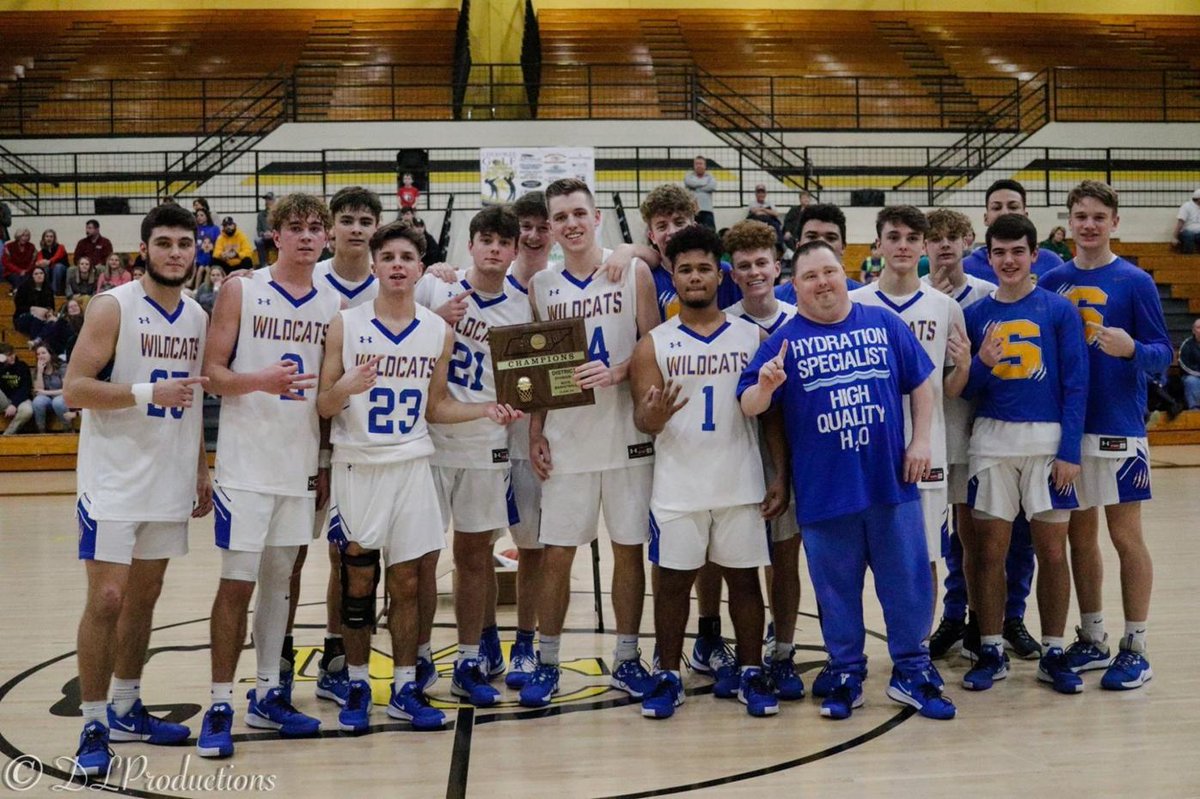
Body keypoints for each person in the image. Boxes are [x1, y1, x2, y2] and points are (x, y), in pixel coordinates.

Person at [738, 240, 955, 721]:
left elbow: (922, 381)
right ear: (794, 286)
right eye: (810, 276)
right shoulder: (782, 342)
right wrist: (766, 387)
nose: (822, 283)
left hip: (889, 483)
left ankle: (912, 671)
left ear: (846, 275)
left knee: (908, 581)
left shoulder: (883, 323)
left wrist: (921, 441)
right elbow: (748, 404)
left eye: (830, 272)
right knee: (835, 589)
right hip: (824, 492)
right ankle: (846, 671)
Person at [318, 221, 521, 733]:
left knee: (410, 580)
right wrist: (346, 384)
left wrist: (483, 412)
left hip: (412, 464)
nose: (397, 266)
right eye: (388, 258)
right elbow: (323, 403)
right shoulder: (347, 324)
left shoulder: (438, 330)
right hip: (357, 465)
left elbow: (436, 406)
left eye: (407, 257)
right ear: (375, 264)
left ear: (418, 264)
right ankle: (361, 683)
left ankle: (406, 685)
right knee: (359, 584)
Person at [62, 203, 210, 775]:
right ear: (144, 249)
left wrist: (200, 467)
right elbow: (75, 389)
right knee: (108, 600)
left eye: (184, 244)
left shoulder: (197, 315)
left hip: (170, 475)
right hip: (114, 479)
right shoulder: (112, 305)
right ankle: (94, 720)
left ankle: (126, 704)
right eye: (165, 243)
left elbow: (191, 398)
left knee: (145, 600)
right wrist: (150, 393)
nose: (175, 252)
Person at [196, 193, 340, 759]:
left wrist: (325, 461)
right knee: (237, 582)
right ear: (275, 235)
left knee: (280, 581)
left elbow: (327, 394)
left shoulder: (332, 304)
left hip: (300, 462)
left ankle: (268, 693)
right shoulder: (242, 288)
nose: (306, 237)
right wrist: (259, 381)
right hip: (245, 464)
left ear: (324, 238)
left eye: (314, 229)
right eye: (295, 228)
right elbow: (211, 373)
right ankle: (219, 702)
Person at [630, 224, 783, 719]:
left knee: (744, 584)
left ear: (719, 275)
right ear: (672, 277)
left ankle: (751, 670)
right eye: (683, 270)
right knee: (672, 584)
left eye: (702, 269)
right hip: (678, 482)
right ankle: (668, 674)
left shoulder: (753, 336)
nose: (694, 277)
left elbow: (773, 415)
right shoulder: (653, 344)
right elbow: (642, 419)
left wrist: (779, 474)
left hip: (740, 481)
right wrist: (655, 414)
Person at [520, 178, 661, 708]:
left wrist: (620, 369)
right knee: (557, 553)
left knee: (629, 549)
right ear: (551, 227)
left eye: (579, 213)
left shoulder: (632, 272)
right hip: (567, 437)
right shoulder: (542, 286)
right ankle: (548, 661)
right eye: (561, 217)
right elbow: (536, 368)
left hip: (626, 433)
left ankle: (627, 658)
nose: (571, 224)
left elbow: (655, 345)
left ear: (597, 216)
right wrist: (535, 431)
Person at [1040, 180, 1172, 690]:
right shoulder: (1053, 280)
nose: (1089, 224)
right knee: (1079, 535)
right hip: (1069, 430)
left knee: (1125, 536)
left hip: (1119, 428)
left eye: (1099, 216)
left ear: (1115, 222)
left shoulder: (1135, 280)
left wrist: (1131, 349)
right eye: (1081, 216)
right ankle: (1091, 637)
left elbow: (1164, 352)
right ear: (1068, 221)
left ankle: (1135, 645)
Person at [959, 213, 1089, 695]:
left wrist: (1070, 450)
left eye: (1018, 251)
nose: (1009, 260)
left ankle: (1053, 649)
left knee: (1053, 552)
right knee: (989, 552)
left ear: (1035, 255)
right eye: (1000, 252)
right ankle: (990, 646)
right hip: (992, 443)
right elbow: (965, 390)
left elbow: (1077, 384)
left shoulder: (1057, 310)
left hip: (1048, 444)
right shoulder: (974, 315)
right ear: (988, 257)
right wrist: (981, 363)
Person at [413, 205, 529, 707]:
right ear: (472, 243)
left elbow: (528, 380)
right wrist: (435, 321)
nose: (494, 249)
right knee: (419, 557)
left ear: (513, 250)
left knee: (474, 556)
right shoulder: (434, 286)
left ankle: (467, 658)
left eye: (504, 242)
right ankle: (417, 656)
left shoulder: (522, 306)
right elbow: (385, 331)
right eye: (486, 240)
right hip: (428, 441)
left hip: (485, 443)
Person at [850, 207, 969, 638]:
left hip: (927, 448)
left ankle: (917, 647)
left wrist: (966, 367)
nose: (902, 245)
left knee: (923, 557)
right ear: (878, 244)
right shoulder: (854, 303)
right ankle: (854, 650)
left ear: (923, 246)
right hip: (867, 449)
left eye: (911, 238)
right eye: (893, 237)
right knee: (861, 557)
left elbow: (952, 388)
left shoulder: (945, 307)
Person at [300, 186, 383, 709]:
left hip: (376, 442)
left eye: (365, 220)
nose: (356, 228)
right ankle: (332, 655)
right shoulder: (307, 280)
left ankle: (356, 659)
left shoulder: (397, 281)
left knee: (368, 558)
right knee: (333, 556)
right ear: (332, 226)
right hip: (313, 435)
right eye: (347, 219)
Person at [721, 219, 805, 701]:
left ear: (778, 266)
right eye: (744, 266)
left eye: (762, 263)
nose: (754, 272)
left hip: (793, 453)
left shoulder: (801, 317)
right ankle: (744, 650)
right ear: (733, 273)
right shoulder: (725, 322)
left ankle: (784, 649)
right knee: (736, 561)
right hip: (736, 452)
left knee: (784, 557)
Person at [920, 209, 1004, 660]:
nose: (945, 244)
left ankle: (978, 623)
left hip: (972, 431)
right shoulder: (914, 297)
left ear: (969, 240)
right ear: (925, 245)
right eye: (936, 237)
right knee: (931, 544)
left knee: (974, 541)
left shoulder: (989, 295)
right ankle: (941, 623)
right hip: (926, 436)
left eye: (954, 236)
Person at [962, 180, 1063, 283]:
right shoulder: (966, 268)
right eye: (996, 208)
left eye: (1013, 207)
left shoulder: (1052, 263)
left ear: (1025, 216)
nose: (1005, 213)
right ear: (986, 218)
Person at [774, 203, 863, 304]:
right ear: (798, 245)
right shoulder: (775, 299)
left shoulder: (865, 298)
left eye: (831, 238)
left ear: (843, 247)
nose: (821, 243)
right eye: (812, 236)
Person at [31, 344, 73, 431]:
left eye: (43, 353)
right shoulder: (38, 369)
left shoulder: (62, 366)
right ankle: (41, 430)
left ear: (50, 354)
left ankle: (68, 429)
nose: (41, 356)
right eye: (38, 354)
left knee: (57, 402)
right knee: (37, 401)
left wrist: (46, 392)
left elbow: (67, 389)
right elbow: (38, 391)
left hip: (63, 398)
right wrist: (40, 372)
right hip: (48, 400)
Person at [13, 264, 56, 340]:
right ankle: (36, 343)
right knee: (37, 320)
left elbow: (51, 306)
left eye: (41, 273)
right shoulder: (24, 288)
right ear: (32, 276)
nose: (39, 275)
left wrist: (49, 312)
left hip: (44, 317)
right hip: (24, 317)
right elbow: (19, 307)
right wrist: (33, 309)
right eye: (36, 274)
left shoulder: (48, 289)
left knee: (54, 322)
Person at [0, 343, 34, 435]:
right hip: (3, 401)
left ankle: (7, 434)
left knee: (27, 411)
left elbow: (25, 388)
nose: (12, 357)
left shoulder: (22, 366)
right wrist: (2, 365)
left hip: (20, 400)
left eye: (12, 354)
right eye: (8, 355)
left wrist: (14, 404)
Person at [683, 155, 717, 230]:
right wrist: (704, 185)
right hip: (692, 211)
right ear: (694, 165)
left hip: (707, 211)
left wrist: (695, 188)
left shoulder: (710, 176)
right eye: (696, 164)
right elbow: (689, 182)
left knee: (710, 233)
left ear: (705, 166)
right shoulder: (689, 175)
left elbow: (712, 186)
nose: (698, 166)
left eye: (701, 163)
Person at [35, 229, 70, 295]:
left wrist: (48, 262)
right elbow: (39, 262)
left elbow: (57, 257)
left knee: (57, 267)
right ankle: (46, 291)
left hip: (62, 270)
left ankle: (54, 293)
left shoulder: (60, 247)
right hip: (50, 269)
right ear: (43, 238)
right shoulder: (41, 252)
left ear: (54, 238)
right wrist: (40, 263)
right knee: (44, 269)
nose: (49, 238)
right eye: (47, 236)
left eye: (51, 237)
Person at [193, 207, 220, 290]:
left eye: (202, 215)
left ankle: (205, 289)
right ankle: (196, 289)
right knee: (198, 267)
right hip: (198, 256)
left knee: (207, 269)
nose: (199, 217)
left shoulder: (215, 229)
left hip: (211, 256)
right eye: (197, 216)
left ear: (207, 216)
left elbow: (218, 244)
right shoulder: (195, 229)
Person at [1181, 319, 1200, 409]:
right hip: (1192, 375)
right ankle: (1195, 410)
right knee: (1191, 382)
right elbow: (1184, 364)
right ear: (1193, 330)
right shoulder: (1186, 345)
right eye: (1199, 327)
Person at [1174, 189, 1200, 254]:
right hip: (1186, 233)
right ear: (1199, 199)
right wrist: (1174, 237)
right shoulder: (1186, 206)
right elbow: (1180, 223)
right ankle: (1186, 255)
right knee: (1189, 235)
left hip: (1198, 234)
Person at [256, 193, 278, 267]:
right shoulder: (261, 215)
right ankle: (264, 265)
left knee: (283, 241)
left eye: (269, 199)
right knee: (258, 241)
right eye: (266, 200)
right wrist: (264, 234)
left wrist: (273, 234)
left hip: (276, 237)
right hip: (265, 238)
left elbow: (282, 229)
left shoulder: (279, 214)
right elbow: (259, 231)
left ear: (274, 201)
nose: (267, 202)